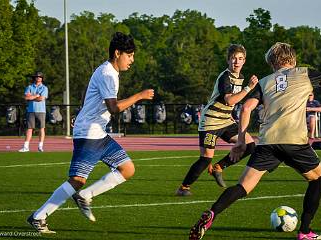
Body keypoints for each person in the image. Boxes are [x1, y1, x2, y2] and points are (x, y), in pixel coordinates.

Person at [189, 42, 321, 240]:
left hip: (267, 143)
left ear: (273, 64)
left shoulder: (264, 81)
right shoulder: (305, 73)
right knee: (317, 178)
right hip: (293, 141)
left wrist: (241, 141)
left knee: (242, 187)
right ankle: (305, 232)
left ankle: (212, 213)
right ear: (293, 58)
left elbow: (246, 108)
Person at [27, 32, 154, 233]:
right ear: (117, 53)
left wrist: (82, 112)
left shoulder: (109, 72)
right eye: (129, 55)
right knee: (77, 180)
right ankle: (38, 217)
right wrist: (139, 95)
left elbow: (91, 98)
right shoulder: (107, 73)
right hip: (89, 134)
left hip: (99, 133)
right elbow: (113, 108)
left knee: (127, 169)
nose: (132, 60)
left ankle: (85, 196)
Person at [176, 44, 258, 196]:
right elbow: (230, 101)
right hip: (210, 121)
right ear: (228, 60)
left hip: (226, 120)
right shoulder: (225, 77)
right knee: (205, 159)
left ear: (244, 61)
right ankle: (183, 188)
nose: (236, 62)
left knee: (250, 145)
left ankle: (219, 167)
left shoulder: (240, 77)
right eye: (233, 58)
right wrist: (248, 88)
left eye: (240, 59)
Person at [19, 71, 48, 152]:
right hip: (30, 110)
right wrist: (36, 96)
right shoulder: (29, 87)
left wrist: (32, 97)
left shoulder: (44, 88)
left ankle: (40, 146)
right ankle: (26, 147)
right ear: (34, 78)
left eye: (40, 77)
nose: (38, 78)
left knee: (41, 128)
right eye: (37, 77)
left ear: (42, 78)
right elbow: (26, 98)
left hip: (41, 111)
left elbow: (41, 99)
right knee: (29, 128)